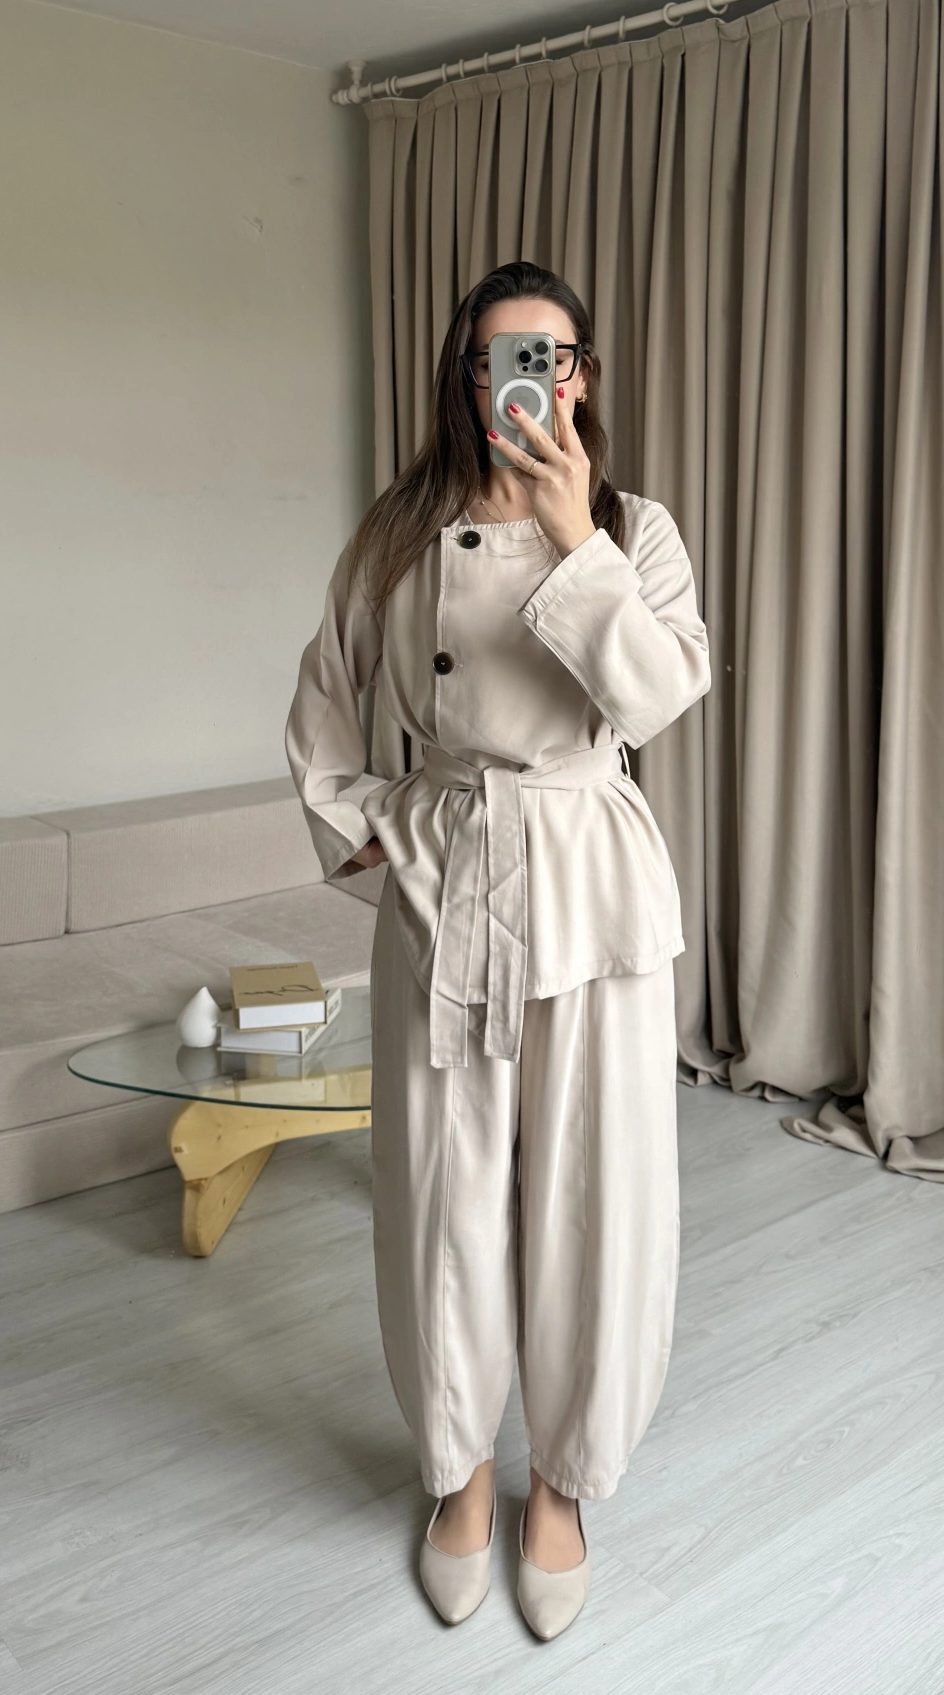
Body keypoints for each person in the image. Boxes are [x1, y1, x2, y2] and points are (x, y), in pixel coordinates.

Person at [284, 260, 711, 1639]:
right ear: (463, 377)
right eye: (497, 358)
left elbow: (658, 696)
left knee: (597, 1194)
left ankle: (564, 1485)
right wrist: (363, 824)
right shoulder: (400, 532)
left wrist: (576, 534)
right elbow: (327, 689)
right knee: (441, 1195)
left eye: (552, 356)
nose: (526, 381)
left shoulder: (636, 528)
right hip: (449, 873)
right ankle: (460, 1473)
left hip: (590, 875)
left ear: (583, 376)